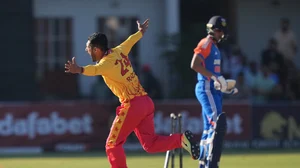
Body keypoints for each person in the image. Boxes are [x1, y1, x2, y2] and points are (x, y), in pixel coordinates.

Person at [64, 19, 199, 168]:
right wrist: (140, 32)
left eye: (88, 48)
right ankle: (181, 140)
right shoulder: (119, 51)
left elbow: (94, 70)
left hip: (132, 105)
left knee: (112, 144)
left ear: (96, 49)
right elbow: (130, 41)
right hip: (146, 102)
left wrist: (80, 70)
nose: (86, 50)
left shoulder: (105, 63)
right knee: (150, 145)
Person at [190, 16, 238, 168]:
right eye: (219, 31)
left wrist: (224, 85)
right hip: (206, 88)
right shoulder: (206, 43)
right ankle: (211, 160)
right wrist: (215, 78)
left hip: (213, 89)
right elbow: (195, 65)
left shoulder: (215, 47)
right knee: (216, 123)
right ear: (214, 30)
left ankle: (204, 162)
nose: (221, 35)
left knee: (208, 127)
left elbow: (212, 72)